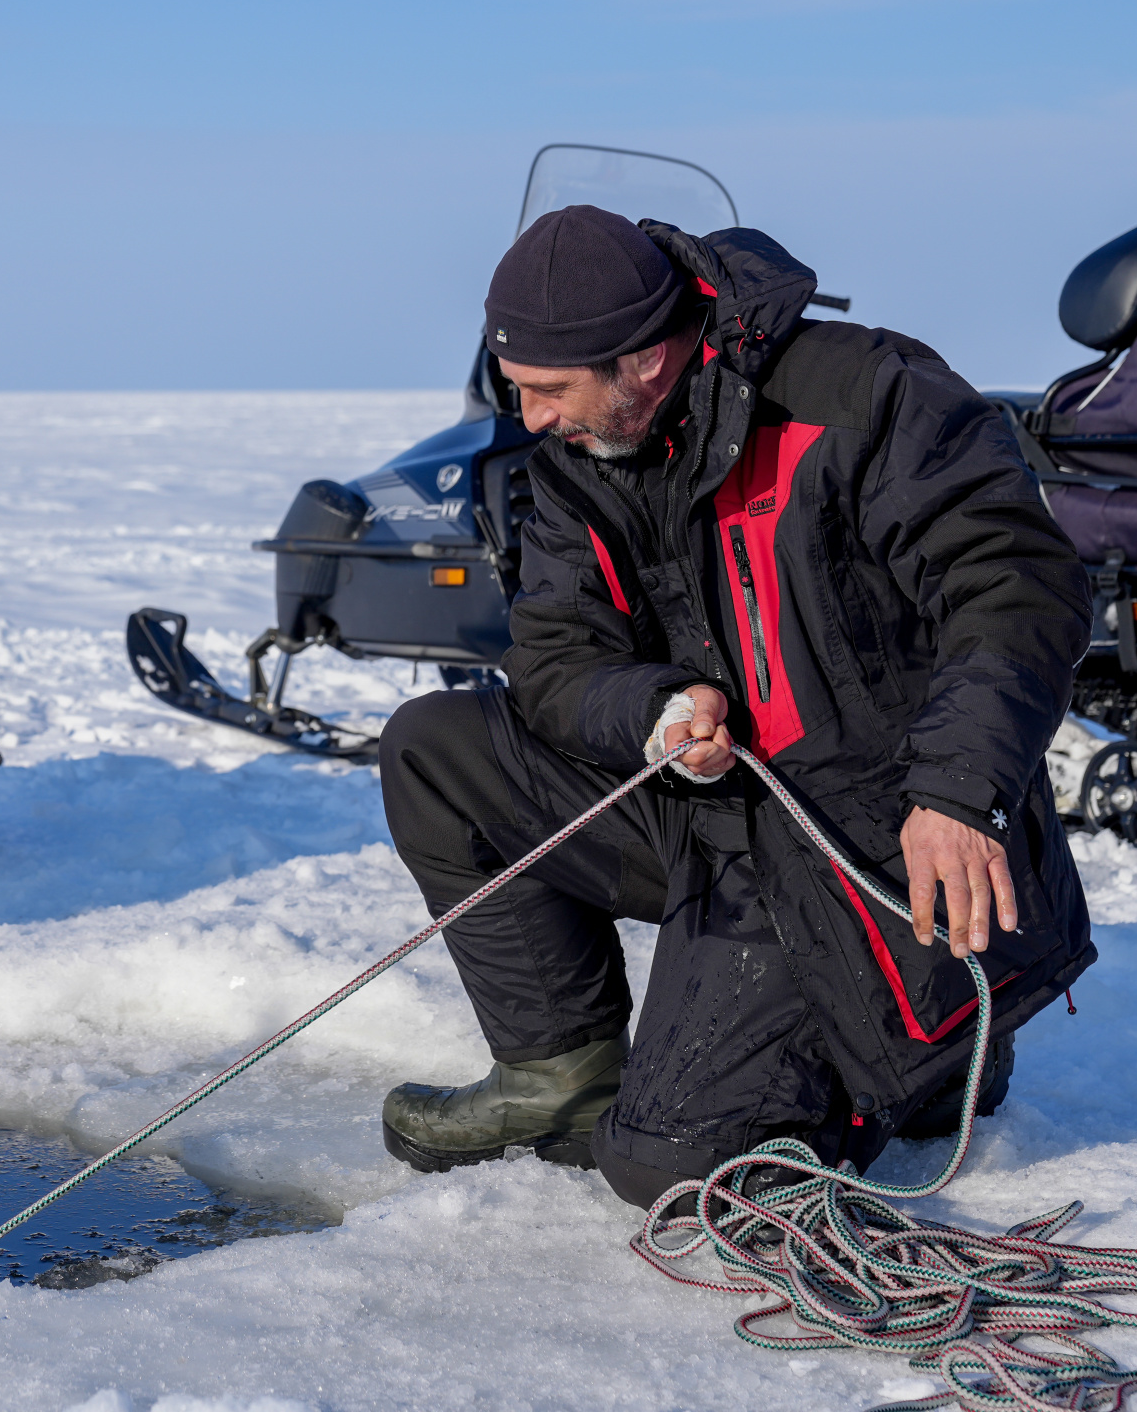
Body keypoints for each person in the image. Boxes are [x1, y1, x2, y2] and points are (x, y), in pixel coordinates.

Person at [376, 206, 1095, 1206]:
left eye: (547, 390)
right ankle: (559, 1074)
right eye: (518, 387)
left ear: (640, 358)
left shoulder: (862, 395)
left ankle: (935, 1053)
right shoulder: (580, 463)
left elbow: (1016, 587)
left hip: (870, 846)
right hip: (711, 814)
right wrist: (656, 708)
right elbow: (554, 658)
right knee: (435, 748)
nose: (530, 416)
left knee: (671, 1169)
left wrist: (958, 789)